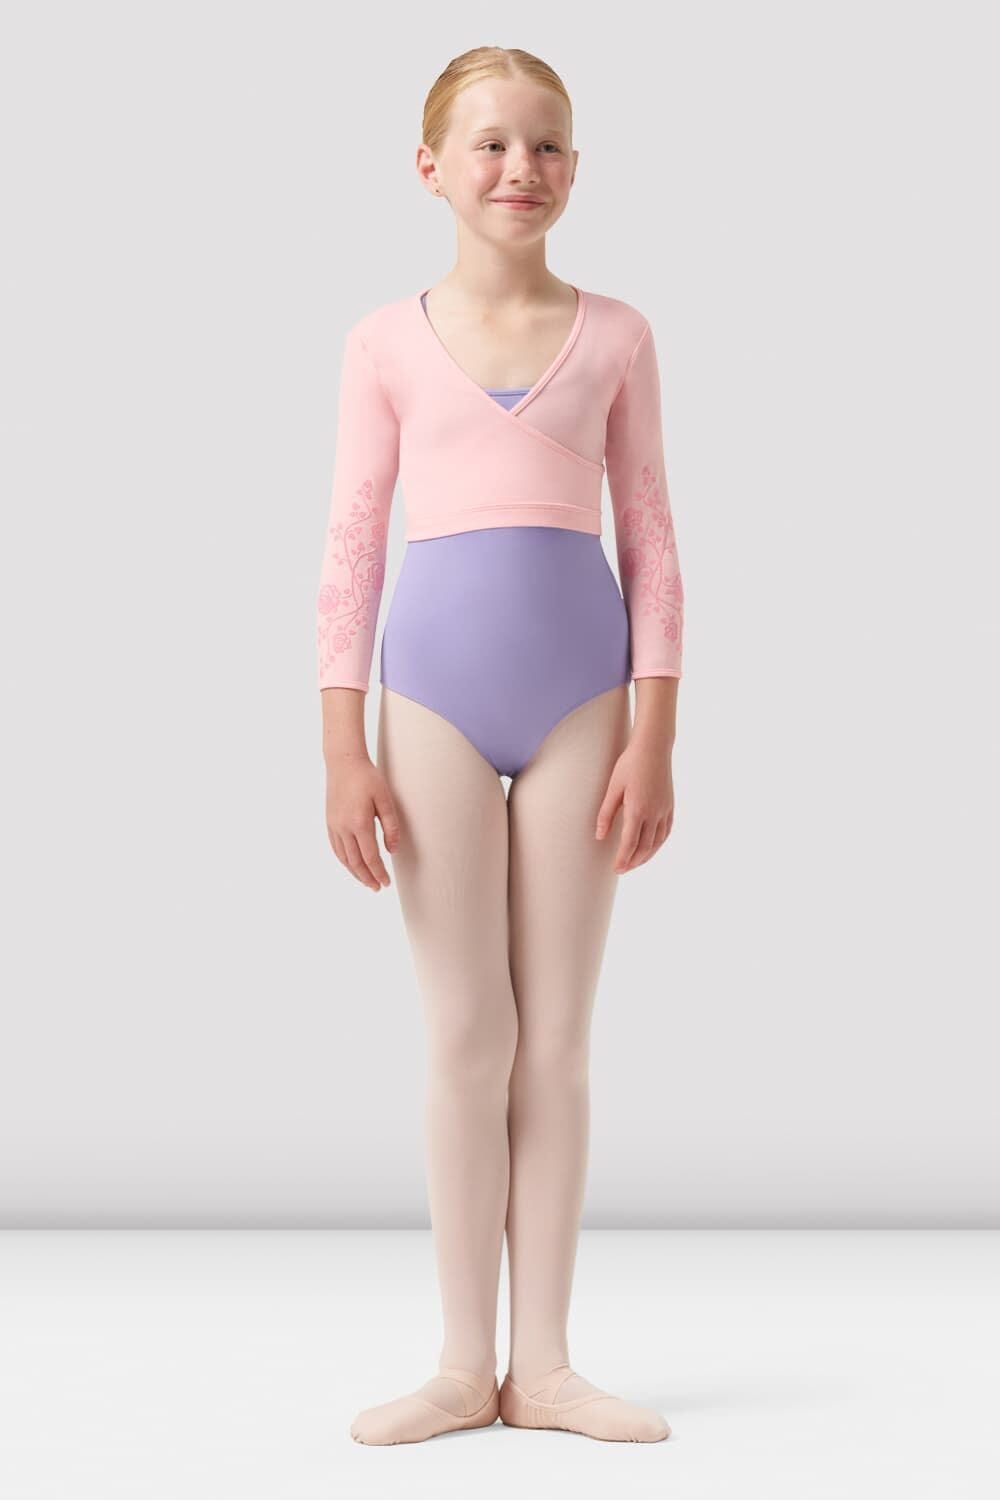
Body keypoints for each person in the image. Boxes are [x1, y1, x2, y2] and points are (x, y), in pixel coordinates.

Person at [317, 45, 683, 1445]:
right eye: (490, 144)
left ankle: (548, 1366)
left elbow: (653, 541)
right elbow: (352, 549)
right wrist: (342, 747)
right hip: (429, 709)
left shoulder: (619, 334)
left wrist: (656, 733)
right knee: (470, 1035)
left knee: (559, 1041)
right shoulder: (384, 343)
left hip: (586, 704)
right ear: (432, 168)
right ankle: (463, 1363)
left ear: (575, 169)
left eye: (546, 145)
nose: (520, 168)